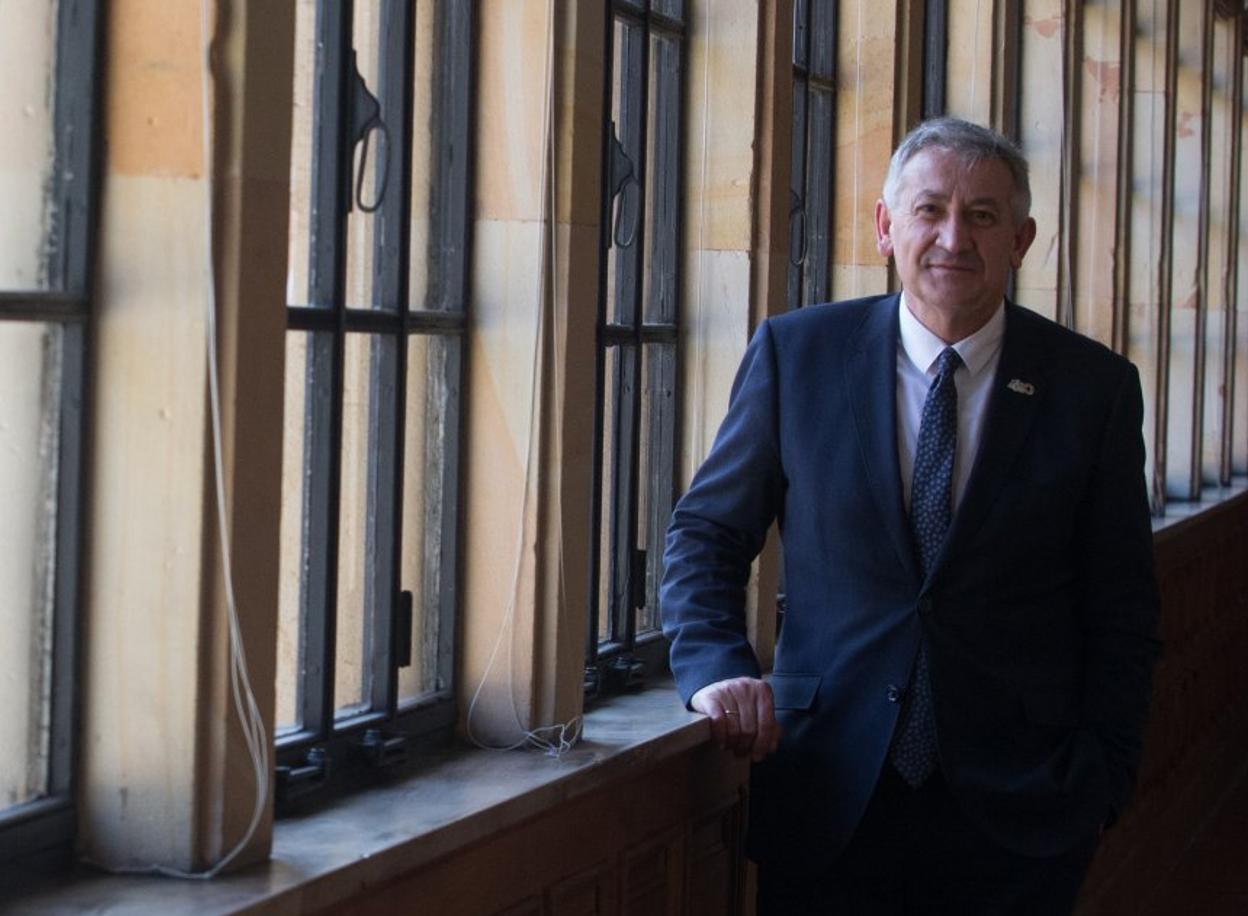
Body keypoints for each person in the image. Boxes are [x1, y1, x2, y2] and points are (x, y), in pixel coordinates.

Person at [660, 117, 1160, 915]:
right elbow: (706, 535)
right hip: (828, 793)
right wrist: (717, 667)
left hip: (1023, 811)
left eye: (984, 216)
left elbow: (1123, 604)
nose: (953, 237)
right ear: (887, 228)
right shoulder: (800, 356)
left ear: (1022, 240)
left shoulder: (1092, 389)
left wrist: (1101, 780)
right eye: (930, 210)